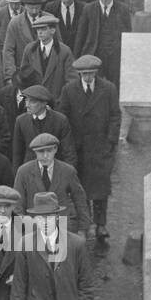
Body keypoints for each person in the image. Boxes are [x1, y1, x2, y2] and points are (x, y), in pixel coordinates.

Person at [58, 54, 121, 243]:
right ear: (78, 73)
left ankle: (101, 224)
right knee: (81, 189)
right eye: (84, 74)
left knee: (101, 189)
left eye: (90, 73)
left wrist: (110, 141)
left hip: (100, 148)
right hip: (79, 149)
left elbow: (115, 116)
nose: (87, 77)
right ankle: (85, 225)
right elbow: (63, 117)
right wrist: (68, 144)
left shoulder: (108, 89)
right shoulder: (69, 90)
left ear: (96, 72)